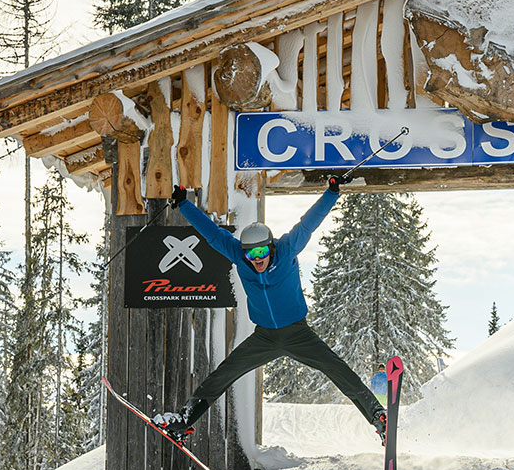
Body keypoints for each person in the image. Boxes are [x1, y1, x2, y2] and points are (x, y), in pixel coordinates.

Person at [160, 179, 387, 442]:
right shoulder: (240, 257)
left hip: (298, 334)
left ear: (270, 246)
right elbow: (211, 233)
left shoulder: (287, 250)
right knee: (224, 373)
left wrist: (332, 192)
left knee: (337, 369)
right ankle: (186, 420)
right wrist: (184, 204)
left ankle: (377, 416)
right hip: (264, 337)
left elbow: (308, 223)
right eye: (249, 254)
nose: (256, 258)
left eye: (260, 251)